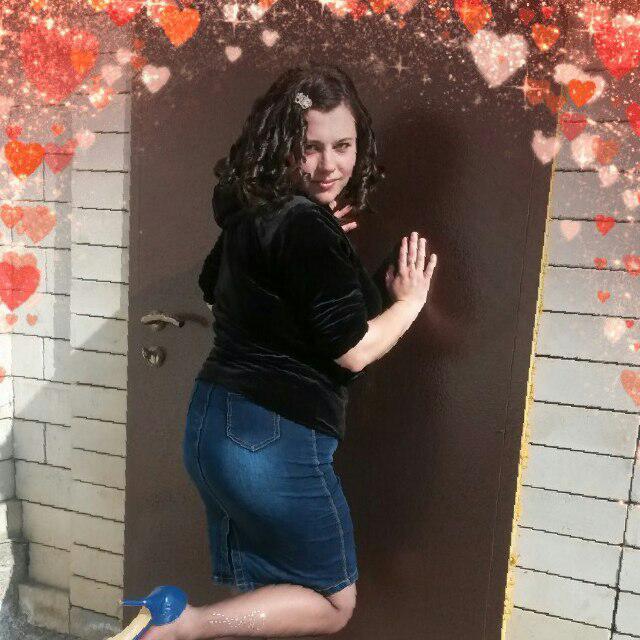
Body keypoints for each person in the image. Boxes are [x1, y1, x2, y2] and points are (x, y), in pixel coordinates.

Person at [115, 63, 437, 640]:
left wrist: (312, 238)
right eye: (310, 147)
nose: (329, 165)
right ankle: (182, 624)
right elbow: (353, 351)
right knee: (331, 603)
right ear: (283, 144)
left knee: (265, 589)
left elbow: (211, 289)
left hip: (214, 424)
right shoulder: (304, 225)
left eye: (342, 146)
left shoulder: (254, 211)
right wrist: (409, 302)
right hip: (272, 435)